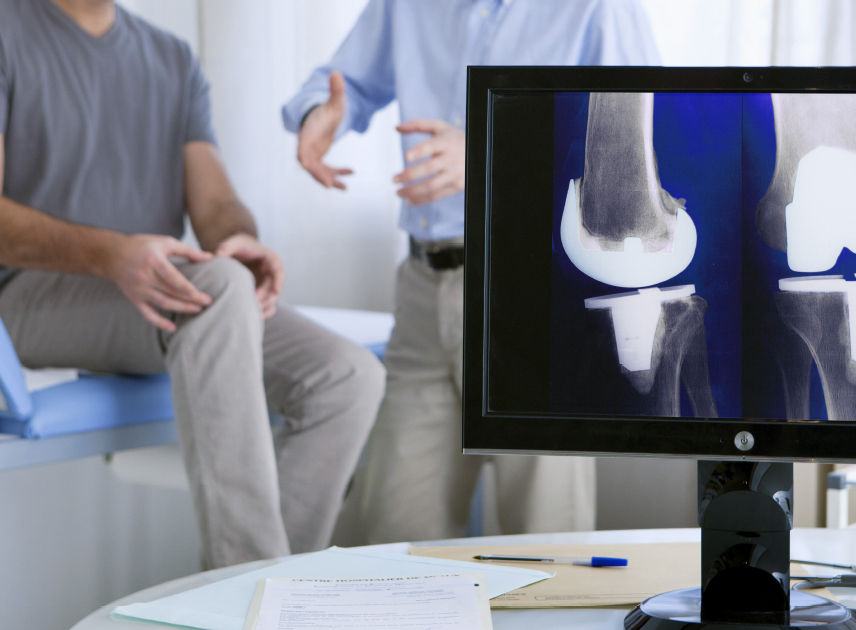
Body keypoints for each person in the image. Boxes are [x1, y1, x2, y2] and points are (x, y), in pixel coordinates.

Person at [0, 0, 385, 569]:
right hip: (23, 298)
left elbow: (215, 202)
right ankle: (242, 587)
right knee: (214, 291)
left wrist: (241, 240)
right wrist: (111, 253)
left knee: (345, 376)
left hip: (154, 294)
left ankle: (264, 593)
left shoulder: (172, 58)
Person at [283, 0, 662, 544]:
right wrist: (319, 111)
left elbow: (637, 138)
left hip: (535, 286)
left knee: (546, 544)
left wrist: (493, 146)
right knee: (395, 545)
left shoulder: (598, 7)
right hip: (422, 286)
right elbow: (347, 82)